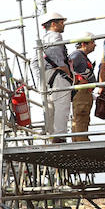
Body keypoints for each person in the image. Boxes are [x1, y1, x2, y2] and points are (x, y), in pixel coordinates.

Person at [39, 9, 73, 142]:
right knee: (62, 106)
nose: (63, 25)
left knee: (50, 107)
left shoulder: (42, 40)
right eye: (61, 22)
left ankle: (52, 136)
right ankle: (60, 136)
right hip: (58, 75)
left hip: (47, 75)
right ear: (53, 24)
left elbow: (35, 62)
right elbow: (57, 55)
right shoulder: (56, 37)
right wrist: (65, 70)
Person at [68, 34, 97, 142]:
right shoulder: (77, 55)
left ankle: (79, 139)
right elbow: (69, 68)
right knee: (81, 115)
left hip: (84, 91)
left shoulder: (81, 56)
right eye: (92, 42)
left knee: (82, 117)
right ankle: (81, 140)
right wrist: (79, 79)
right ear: (84, 44)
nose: (95, 45)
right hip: (81, 91)